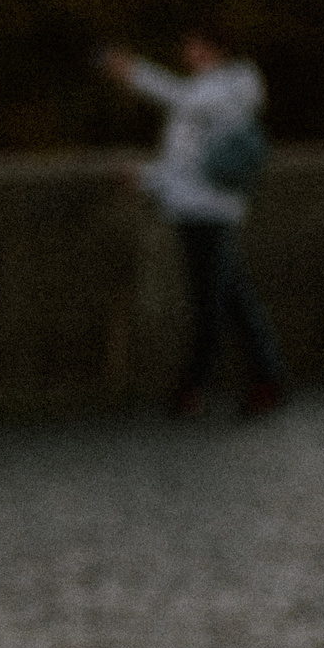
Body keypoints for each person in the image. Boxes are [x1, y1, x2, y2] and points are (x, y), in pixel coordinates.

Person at [101, 26, 287, 417]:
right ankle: (267, 378)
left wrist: (134, 72)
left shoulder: (228, 89)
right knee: (233, 300)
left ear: (214, 49)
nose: (187, 51)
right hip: (200, 207)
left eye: (194, 45)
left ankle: (195, 387)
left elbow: (181, 101)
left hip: (208, 211)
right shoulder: (212, 90)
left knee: (211, 304)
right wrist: (147, 178)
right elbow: (186, 160)